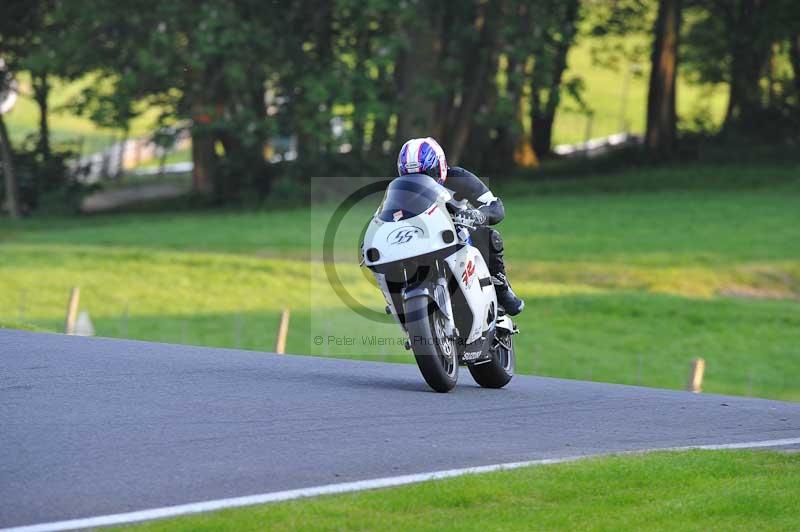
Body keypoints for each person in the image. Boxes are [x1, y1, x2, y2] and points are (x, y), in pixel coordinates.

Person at [396, 137, 524, 316]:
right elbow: (387, 217)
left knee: (488, 236)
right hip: (422, 242)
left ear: (439, 166)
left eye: (426, 174)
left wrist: (478, 215)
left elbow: (495, 206)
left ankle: (500, 287)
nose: (420, 181)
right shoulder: (400, 193)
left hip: (458, 238)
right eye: (411, 176)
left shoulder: (459, 178)